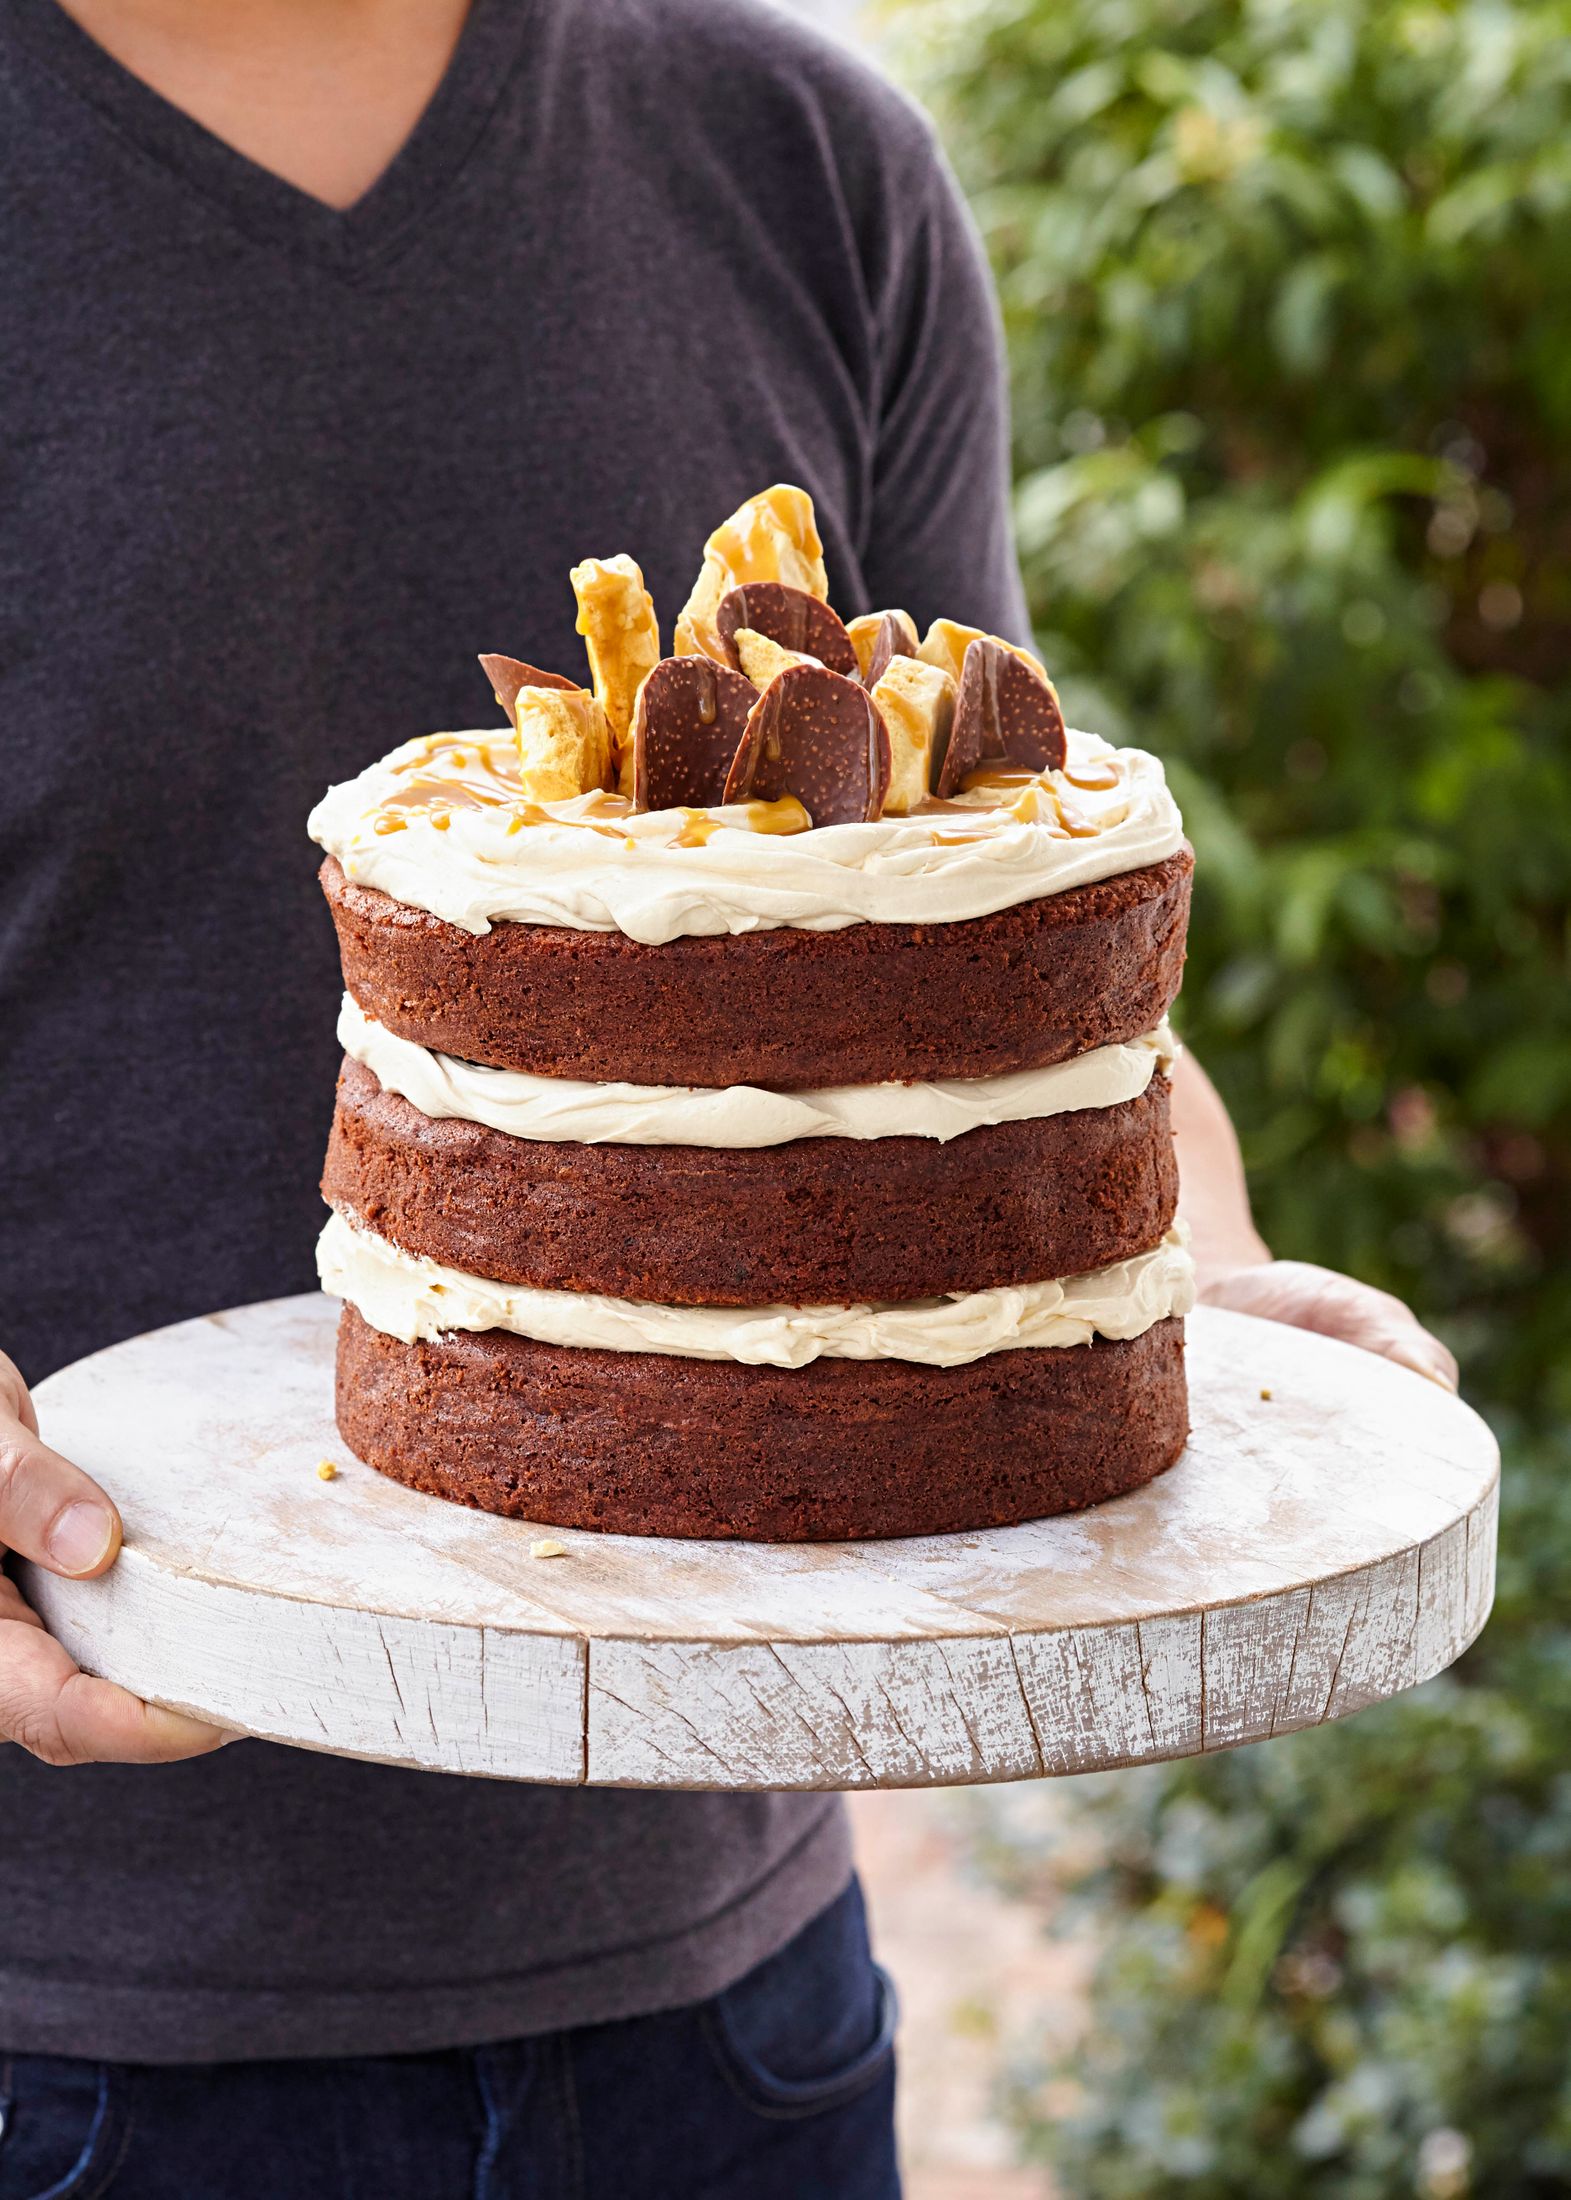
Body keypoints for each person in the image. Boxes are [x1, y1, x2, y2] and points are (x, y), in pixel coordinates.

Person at [0, 0, 1457, 2191]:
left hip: (730, 2019)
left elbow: (992, 962)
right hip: (69, 2032)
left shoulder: (803, 154)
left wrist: (1200, 1277)